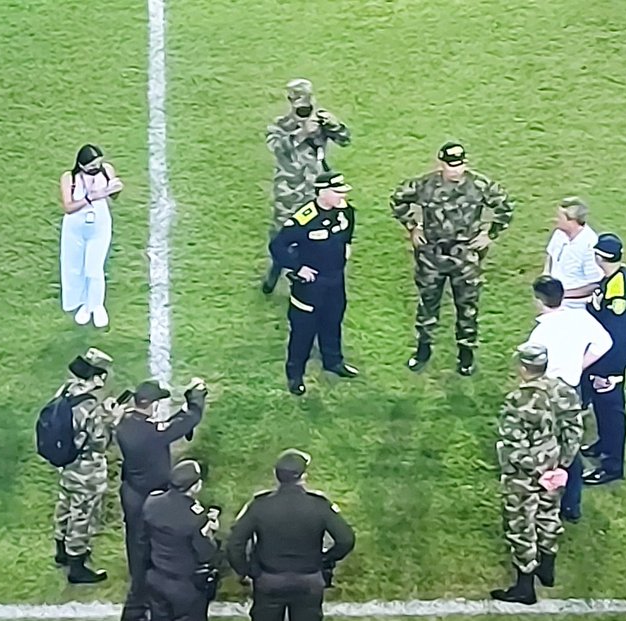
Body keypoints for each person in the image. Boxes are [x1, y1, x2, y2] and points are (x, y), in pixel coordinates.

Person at [390, 142, 515, 376]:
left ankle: (466, 355)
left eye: (458, 165)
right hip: (432, 255)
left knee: (467, 308)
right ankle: (423, 350)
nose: (454, 171)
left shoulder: (479, 185)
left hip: (465, 256)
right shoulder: (425, 185)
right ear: (441, 164)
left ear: (465, 163)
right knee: (428, 304)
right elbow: (398, 199)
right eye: (450, 166)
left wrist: (489, 234)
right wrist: (412, 227)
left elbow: (505, 207)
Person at [489, 343, 581, 604]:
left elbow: (513, 446)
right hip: (555, 469)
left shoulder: (518, 400)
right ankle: (547, 568)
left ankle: (524, 587)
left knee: (521, 523)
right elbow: (574, 428)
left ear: (522, 367)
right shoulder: (562, 389)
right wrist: (560, 464)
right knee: (548, 513)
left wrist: (533, 468)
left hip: (525, 474)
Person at [116, 378, 209, 621]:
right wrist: (196, 397)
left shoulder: (125, 423)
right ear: (152, 405)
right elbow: (186, 421)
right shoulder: (151, 433)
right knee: (155, 540)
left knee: (136, 541)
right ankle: (139, 597)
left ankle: (139, 588)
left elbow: (166, 425)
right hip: (149, 493)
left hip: (131, 491)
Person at [226, 449, 356, 621]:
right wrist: (326, 558)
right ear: (303, 476)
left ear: (276, 475)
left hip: (269, 579)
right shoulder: (319, 505)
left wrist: (247, 570)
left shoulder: (260, 505)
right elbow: (346, 539)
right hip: (309, 579)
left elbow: (235, 543)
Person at [526, 275, 611, 523]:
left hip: (547, 393)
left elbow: (530, 366)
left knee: (542, 444)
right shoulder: (581, 319)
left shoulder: (540, 333)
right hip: (572, 389)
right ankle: (571, 505)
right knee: (571, 446)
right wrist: (581, 365)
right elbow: (604, 342)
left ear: (539, 301)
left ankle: (542, 498)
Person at [268, 171, 358, 396]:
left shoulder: (344, 211)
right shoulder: (304, 219)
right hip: (311, 285)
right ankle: (295, 374)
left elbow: (347, 230)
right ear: (323, 192)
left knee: (333, 321)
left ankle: (333, 362)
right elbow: (278, 245)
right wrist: (298, 268)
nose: (342, 196)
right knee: (303, 330)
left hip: (336, 279)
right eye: (337, 192)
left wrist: (346, 246)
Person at [262, 78, 351, 294]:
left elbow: (345, 139)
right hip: (289, 191)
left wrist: (334, 125)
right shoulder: (280, 125)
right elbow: (278, 148)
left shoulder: (320, 119)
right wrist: (302, 133)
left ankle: (308, 276)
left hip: (317, 191)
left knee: (319, 233)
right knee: (282, 234)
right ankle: (276, 269)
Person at [51, 348, 122, 584]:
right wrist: (112, 419)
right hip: (86, 472)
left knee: (65, 505)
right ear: (96, 377)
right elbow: (101, 443)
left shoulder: (66, 391)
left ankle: (61, 550)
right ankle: (77, 565)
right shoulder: (89, 407)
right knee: (82, 515)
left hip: (66, 465)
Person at [581, 233, 626, 486]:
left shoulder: (616, 288)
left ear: (599, 257)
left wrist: (606, 369)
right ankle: (603, 443)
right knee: (601, 407)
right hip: (605, 356)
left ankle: (612, 465)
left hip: (610, 359)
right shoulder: (618, 276)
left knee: (611, 410)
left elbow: (616, 333)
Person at [141, 460, 222, 621]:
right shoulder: (196, 518)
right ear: (195, 486)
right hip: (184, 586)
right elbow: (206, 553)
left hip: (156, 577)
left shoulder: (152, 501)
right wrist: (211, 532)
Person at [59, 144, 123, 327]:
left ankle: (96, 305)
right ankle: (83, 304)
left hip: (99, 226)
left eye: (99, 163)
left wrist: (115, 189)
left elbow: (113, 197)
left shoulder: (106, 170)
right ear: (82, 164)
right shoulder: (69, 177)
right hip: (75, 227)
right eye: (92, 165)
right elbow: (68, 207)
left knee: (94, 268)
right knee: (74, 267)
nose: (97, 168)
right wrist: (91, 197)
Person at [543, 197, 603, 309]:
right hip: (552, 301)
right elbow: (551, 255)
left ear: (572, 221)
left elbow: (595, 283)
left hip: (576, 305)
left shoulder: (590, 245)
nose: (556, 220)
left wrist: (564, 295)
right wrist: (545, 278)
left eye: (560, 217)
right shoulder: (559, 234)